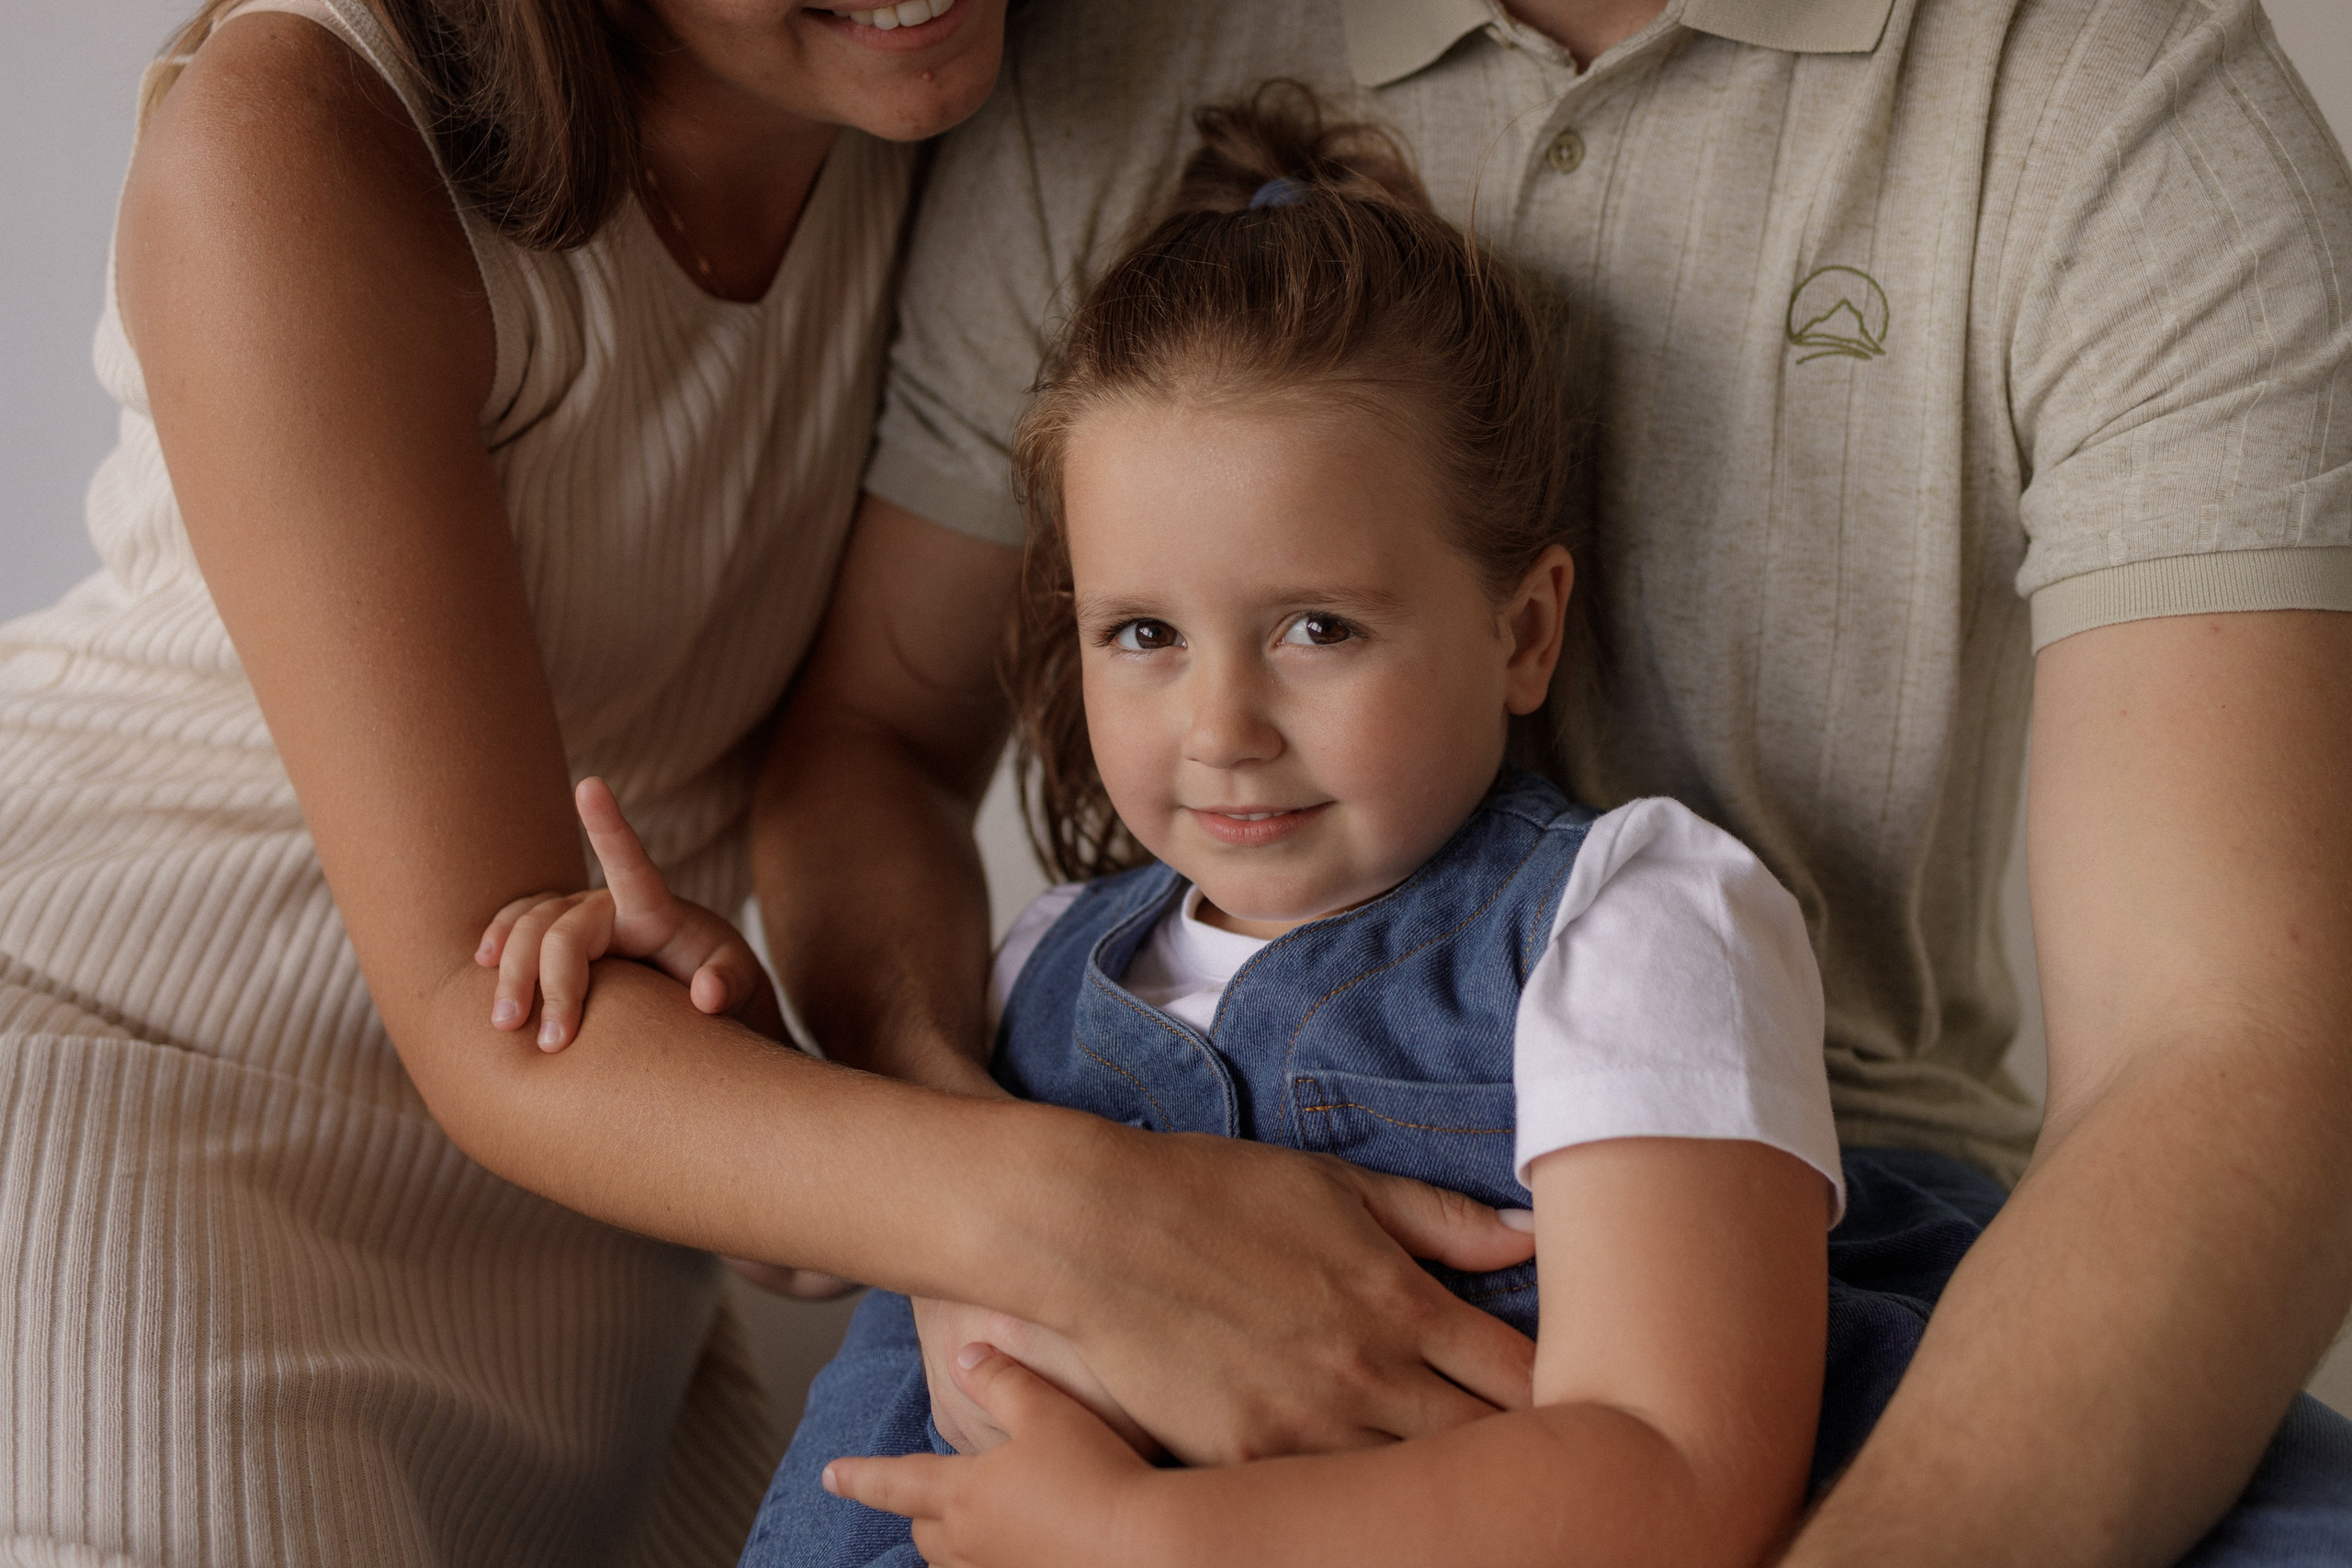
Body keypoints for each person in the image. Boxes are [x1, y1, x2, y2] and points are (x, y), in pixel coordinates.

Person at [764, 0, 2352, 1562]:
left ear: (1527, 629)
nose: (1223, 724)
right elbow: (870, 755)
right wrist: (957, 1186)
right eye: (1141, 634)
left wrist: (1165, 1534)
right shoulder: (1049, 968)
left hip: (1776, 1286)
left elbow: (2218, 1041)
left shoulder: (2098, 84)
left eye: (1314, 627)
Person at [0, 1, 1559, 1560]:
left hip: (621, 1236)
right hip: (136, 1136)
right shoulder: (293, 128)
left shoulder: (941, 96)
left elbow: (849, 748)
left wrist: (928, 1161)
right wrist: (1085, 1228)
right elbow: (473, 991)